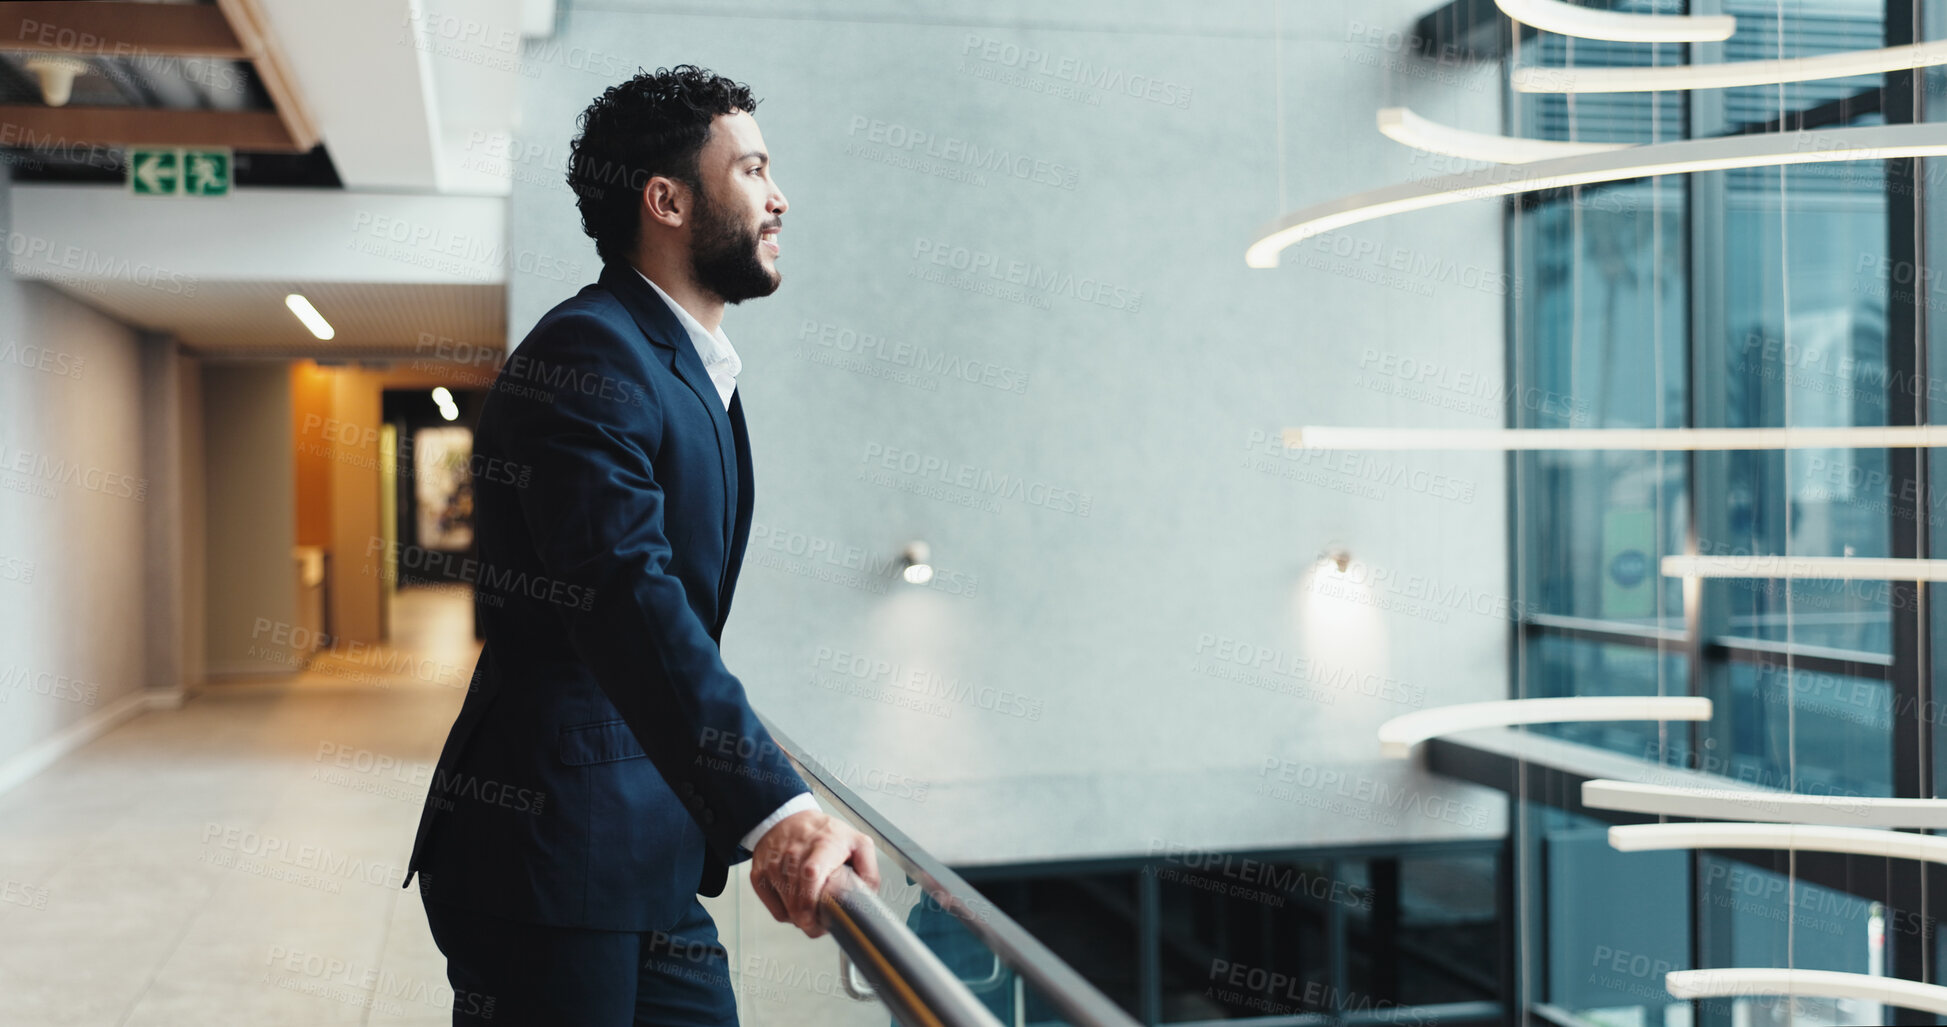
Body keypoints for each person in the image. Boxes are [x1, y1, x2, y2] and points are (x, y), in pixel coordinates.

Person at [403, 65, 880, 1026]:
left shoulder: (681, 366)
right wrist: (779, 809)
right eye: (750, 170)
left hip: (640, 848)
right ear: (665, 200)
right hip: (551, 855)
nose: (778, 196)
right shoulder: (590, 353)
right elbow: (626, 594)